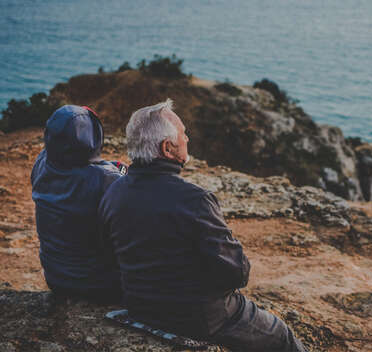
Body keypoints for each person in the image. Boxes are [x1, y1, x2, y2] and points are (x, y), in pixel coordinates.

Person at [98, 99, 307, 352]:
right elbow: (237, 273)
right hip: (202, 318)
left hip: (140, 307)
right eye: (184, 134)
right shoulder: (194, 199)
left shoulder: (113, 191)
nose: (188, 139)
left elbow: (111, 253)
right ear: (167, 147)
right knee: (282, 336)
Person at [31, 105, 126, 303]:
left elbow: (79, 168)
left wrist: (110, 166)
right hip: (99, 284)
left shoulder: (42, 162)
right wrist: (122, 171)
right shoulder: (107, 179)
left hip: (55, 277)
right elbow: (128, 188)